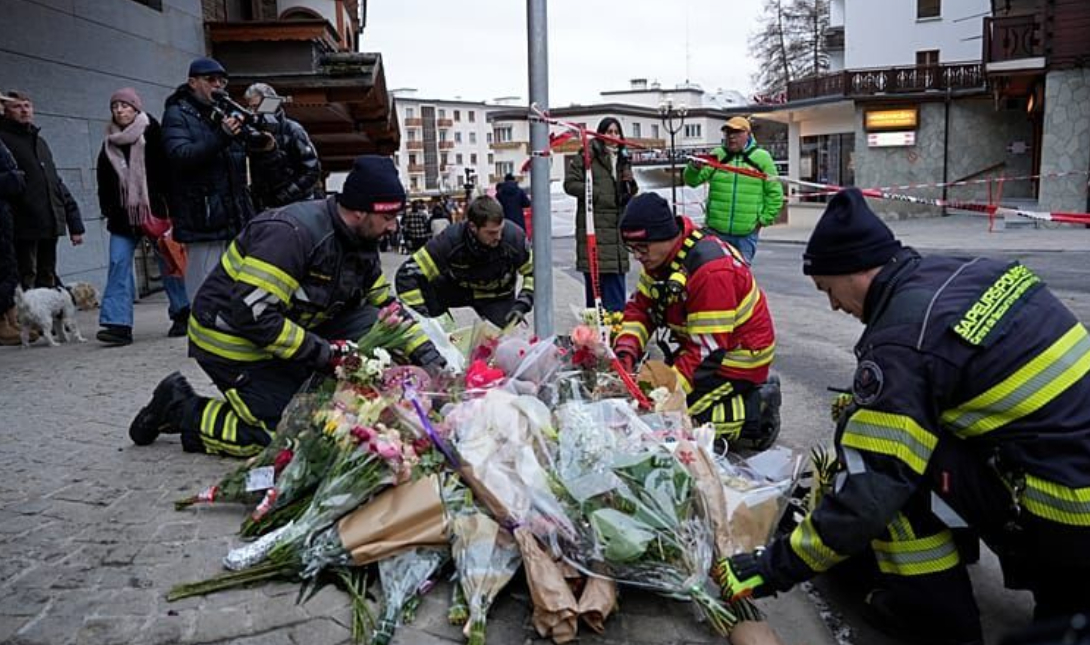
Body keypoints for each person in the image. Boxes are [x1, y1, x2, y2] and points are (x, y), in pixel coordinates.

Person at [717, 188, 1090, 644]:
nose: (834, 305)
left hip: (1067, 512)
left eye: (828, 290)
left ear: (856, 270)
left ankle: (945, 629)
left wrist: (772, 567)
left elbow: (872, 491)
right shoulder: (970, 273)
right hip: (1070, 471)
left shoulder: (901, 341)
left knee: (898, 490)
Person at [128, 156, 446, 458]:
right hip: (233, 341)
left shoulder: (361, 242)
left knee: (367, 321)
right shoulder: (291, 235)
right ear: (360, 211)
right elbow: (253, 315)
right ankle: (181, 408)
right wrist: (328, 356)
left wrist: (431, 359)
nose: (393, 228)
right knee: (287, 433)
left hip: (285, 334)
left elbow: (385, 307)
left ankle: (304, 383)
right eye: (388, 218)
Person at [612, 193, 780, 450]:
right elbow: (641, 309)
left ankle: (758, 408)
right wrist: (625, 350)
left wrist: (668, 396)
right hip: (704, 349)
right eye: (632, 248)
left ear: (665, 236)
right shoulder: (661, 260)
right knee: (649, 406)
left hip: (736, 359)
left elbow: (707, 351)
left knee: (671, 421)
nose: (637, 256)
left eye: (642, 248)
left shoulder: (710, 270)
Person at [95, 88, 191, 346]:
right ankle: (118, 325)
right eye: (115, 106)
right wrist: (109, 209)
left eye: (125, 106)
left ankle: (183, 313)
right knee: (118, 264)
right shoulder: (109, 143)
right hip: (122, 218)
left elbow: (170, 175)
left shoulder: (154, 134)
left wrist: (173, 211)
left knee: (169, 262)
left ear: (136, 108)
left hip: (157, 212)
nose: (119, 110)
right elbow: (103, 182)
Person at [161, 57, 255, 300]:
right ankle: (201, 331)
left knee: (236, 281)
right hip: (202, 212)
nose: (218, 85)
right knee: (204, 284)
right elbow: (180, 155)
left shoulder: (221, 111)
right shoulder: (177, 114)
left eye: (222, 81)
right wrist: (221, 136)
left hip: (232, 210)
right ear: (193, 82)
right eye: (210, 80)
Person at [396, 195, 533, 328]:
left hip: (496, 295)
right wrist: (424, 321)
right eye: (491, 233)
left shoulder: (514, 238)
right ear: (473, 227)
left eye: (500, 230)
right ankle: (440, 332)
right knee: (427, 284)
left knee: (503, 343)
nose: (498, 237)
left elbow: (535, 273)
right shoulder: (450, 240)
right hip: (458, 289)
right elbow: (407, 275)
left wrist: (522, 304)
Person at [0, 91, 85, 289]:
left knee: (48, 276)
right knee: (26, 276)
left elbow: (55, 182)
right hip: (21, 224)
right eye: (17, 106)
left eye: (27, 105)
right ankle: (26, 319)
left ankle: (47, 320)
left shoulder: (40, 141)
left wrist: (74, 222)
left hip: (48, 222)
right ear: (5, 111)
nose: (24, 110)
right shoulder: (3, 141)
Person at [682, 116, 783, 265]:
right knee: (714, 273)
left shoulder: (762, 158)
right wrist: (693, 169)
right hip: (716, 231)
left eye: (736, 133)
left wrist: (762, 221)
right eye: (728, 133)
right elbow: (692, 181)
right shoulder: (718, 155)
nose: (731, 137)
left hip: (745, 234)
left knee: (740, 278)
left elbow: (775, 193)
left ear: (748, 134)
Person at [563, 117, 638, 313]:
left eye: (616, 132)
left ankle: (616, 337)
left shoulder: (623, 160)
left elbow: (626, 195)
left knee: (616, 295)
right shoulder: (588, 156)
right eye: (609, 132)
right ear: (600, 134)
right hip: (594, 228)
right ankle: (596, 336)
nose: (613, 136)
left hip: (616, 234)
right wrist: (595, 193)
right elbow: (570, 184)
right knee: (596, 298)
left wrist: (630, 186)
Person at [242, 83, 322, 211]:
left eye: (257, 107)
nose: (254, 113)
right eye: (251, 108)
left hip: (297, 204)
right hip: (265, 206)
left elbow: (312, 170)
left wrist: (286, 195)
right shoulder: (251, 133)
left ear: (271, 104)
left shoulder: (293, 130)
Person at [0, 125, 25, 345]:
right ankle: (3, 323)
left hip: (5, 213)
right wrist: (14, 177)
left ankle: (12, 319)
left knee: (8, 267)